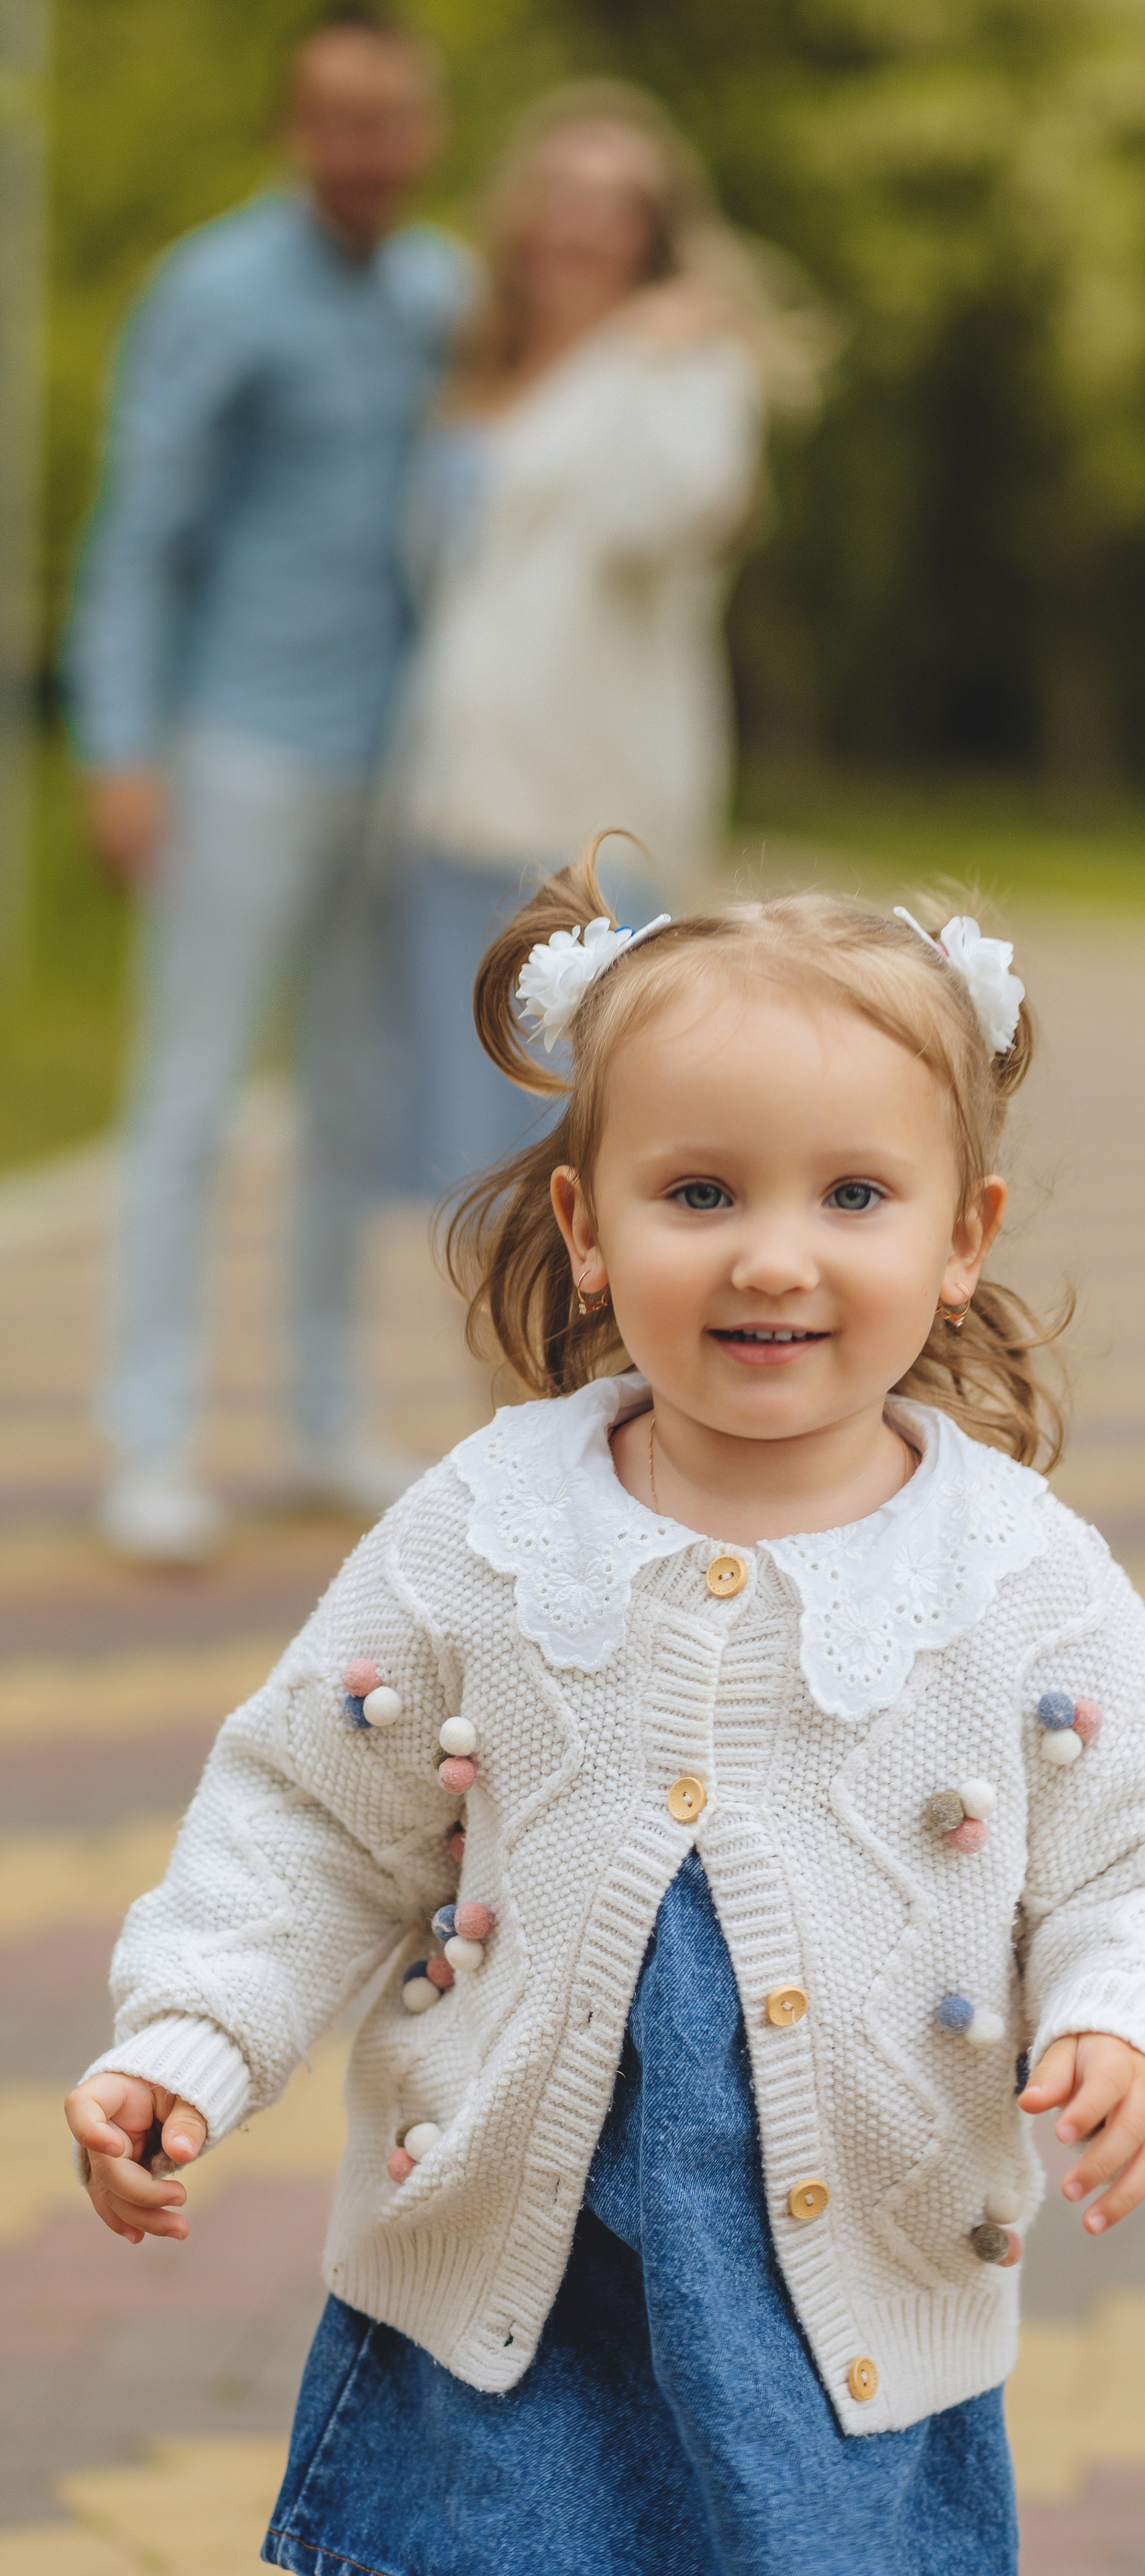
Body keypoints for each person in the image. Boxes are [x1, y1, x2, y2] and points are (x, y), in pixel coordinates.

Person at [63, 857, 1145, 2575]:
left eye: (854, 1195)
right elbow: (311, 1815)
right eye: (698, 1191)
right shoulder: (488, 1527)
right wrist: (193, 2033)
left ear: (960, 1240)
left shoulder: (1017, 1578)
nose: (772, 1258)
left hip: (847, 2332)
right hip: (509, 2320)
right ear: (582, 1230)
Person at [64, 6, 467, 1564]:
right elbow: (138, 532)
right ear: (294, 132)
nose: (369, 150)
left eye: (395, 121)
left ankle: (319, 1411)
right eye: (340, 122)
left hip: (398, 767)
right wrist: (122, 746)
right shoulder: (215, 293)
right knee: (192, 1096)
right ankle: (149, 1441)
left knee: (356, 1100)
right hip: (239, 747)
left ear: (424, 132)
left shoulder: (443, 293)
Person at [391, 83, 813, 1194]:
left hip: (588, 829)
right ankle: (502, 1380)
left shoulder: (681, 367)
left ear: (654, 237)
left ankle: (598, 1378)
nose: (579, 222)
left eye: (615, 204)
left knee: (587, 1171)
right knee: (473, 1178)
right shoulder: (478, 371)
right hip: (453, 808)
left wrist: (659, 347)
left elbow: (676, 512)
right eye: (561, 192)